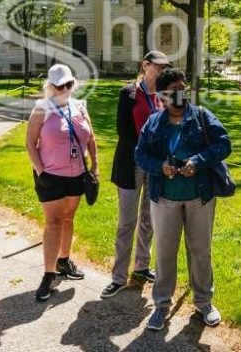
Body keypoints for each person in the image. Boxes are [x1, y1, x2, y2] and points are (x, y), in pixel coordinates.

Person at [134, 68, 232, 331]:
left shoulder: (201, 116)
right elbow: (140, 155)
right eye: (173, 90)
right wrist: (160, 166)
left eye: (182, 88)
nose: (179, 94)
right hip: (164, 198)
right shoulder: (154, 123)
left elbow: (224, 144)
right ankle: (161, 305)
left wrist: (197, 162)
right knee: (165, 254)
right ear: (163, 97)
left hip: (199, 197)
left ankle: (204, 303)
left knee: (201, 251)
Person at [101, 51, 171, 298]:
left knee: (149, 219)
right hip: (132, 163)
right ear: (145, 65)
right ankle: (118, 277)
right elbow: (123, 130)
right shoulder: (129, 93)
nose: (162, 71)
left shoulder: (166, 95)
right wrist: (147, 151)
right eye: (158, 67)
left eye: (165, 68)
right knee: (126, 221)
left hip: (157, 166)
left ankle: (141, 267)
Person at [26, 63, 98, 302]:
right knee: (53, 222)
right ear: (51, 87)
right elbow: (30, 143)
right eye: (59, 86)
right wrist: (41, 170)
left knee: (68, 218)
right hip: (51, 176)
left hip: (77, 174)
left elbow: (91, 138)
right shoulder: (42, 108)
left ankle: (64, 260)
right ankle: (48, 274)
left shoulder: (80, 106)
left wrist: (94, 166)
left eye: (68, 84)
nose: (64, 89)